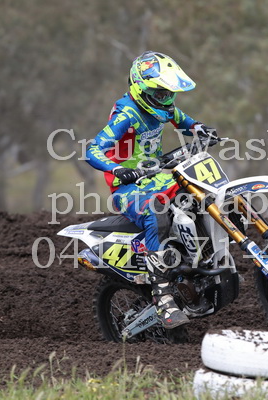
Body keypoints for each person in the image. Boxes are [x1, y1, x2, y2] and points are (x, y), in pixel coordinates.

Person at [85, 51, 215, 329]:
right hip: (127, 187)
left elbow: (182, 119)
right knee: (156, 213)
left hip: (155, 178)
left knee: (198, 193)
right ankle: (163, 297)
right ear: (141, 88)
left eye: (169, 94)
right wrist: (117, 169)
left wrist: (199, 128)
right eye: (160, 93)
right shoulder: (127, 114)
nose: (166, 99)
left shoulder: (163, 107)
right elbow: (93, 150)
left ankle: (201, 264)